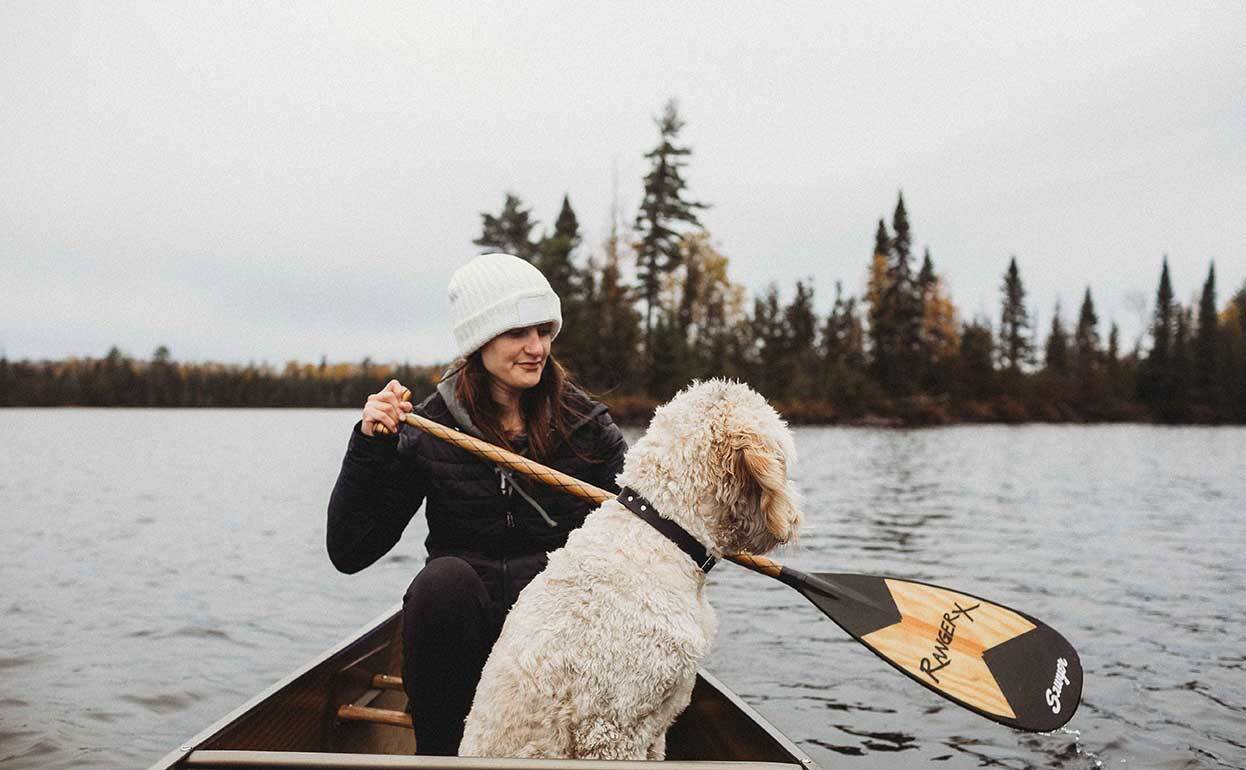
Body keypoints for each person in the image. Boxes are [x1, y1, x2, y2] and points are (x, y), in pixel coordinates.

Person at [326, 253, 628, 756]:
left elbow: (641, 533)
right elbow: (350, 551)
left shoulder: (587, 425)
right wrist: (369, 447)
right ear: (479, 339)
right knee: (442, 582)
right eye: (518, 333)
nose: (537, 348)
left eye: (544, 330)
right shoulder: (431, 428)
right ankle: (442, 760)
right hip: (465, 632)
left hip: (560, 632)